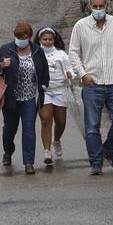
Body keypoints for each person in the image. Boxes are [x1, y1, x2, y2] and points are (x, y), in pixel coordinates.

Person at [67, 0, 113, 175]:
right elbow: (73, 52)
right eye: (95, 7)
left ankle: (109, 149)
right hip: (92, 83)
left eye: (101, 6)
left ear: (106, 6)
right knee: (92, 126)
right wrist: (83, 74)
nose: (98, 10)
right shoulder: (81, 26)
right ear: (90, 7)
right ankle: (96, 161)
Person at [0, 22, 48, 174]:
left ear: (29, 36)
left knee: (29, 129)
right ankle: (8, 152)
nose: (19, 40)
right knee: (9, 129)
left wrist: (44, 86)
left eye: (22, 37)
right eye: (17, 37)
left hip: (29, 98)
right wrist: (0, 65)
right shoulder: (6, 49)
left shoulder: (37, 51)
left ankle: (29, 162)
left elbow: (44, 69)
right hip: (10, 98)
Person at [35, 25, 76, 168]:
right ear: (39, 40)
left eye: (50, 39)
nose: (47, 42)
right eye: (44, 39)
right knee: (46, 119)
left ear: (54, 40)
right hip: (44, 91)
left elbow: (70, 68)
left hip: (59, 91)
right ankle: (47, 151)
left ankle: (56, 140)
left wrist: (69, 74)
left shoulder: (61, 54)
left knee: (61, 121)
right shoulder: (35, 54)